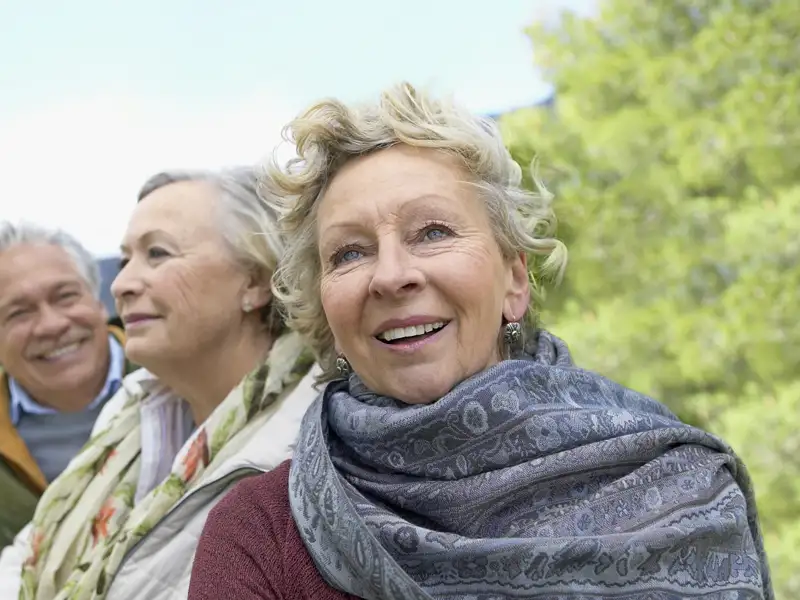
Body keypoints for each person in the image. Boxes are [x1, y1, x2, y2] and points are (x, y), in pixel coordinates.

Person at [189, 84, 774, 600]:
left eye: (433, 232)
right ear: (325, 310)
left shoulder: (678, 490)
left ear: (514, 281)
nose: (391, 275)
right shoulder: (262, 532)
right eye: (350, 252)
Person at [0, 167, 319, 600]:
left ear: (255, 280)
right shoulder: (131, 410)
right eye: (126, 257)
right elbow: (25, 556)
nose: (122, 283)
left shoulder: (312, 447)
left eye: (158, 253)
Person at [0, 223, 134, 549]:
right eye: (19, 313)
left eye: (66, 296)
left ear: (101, 302)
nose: (52, 324)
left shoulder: (178, 372)